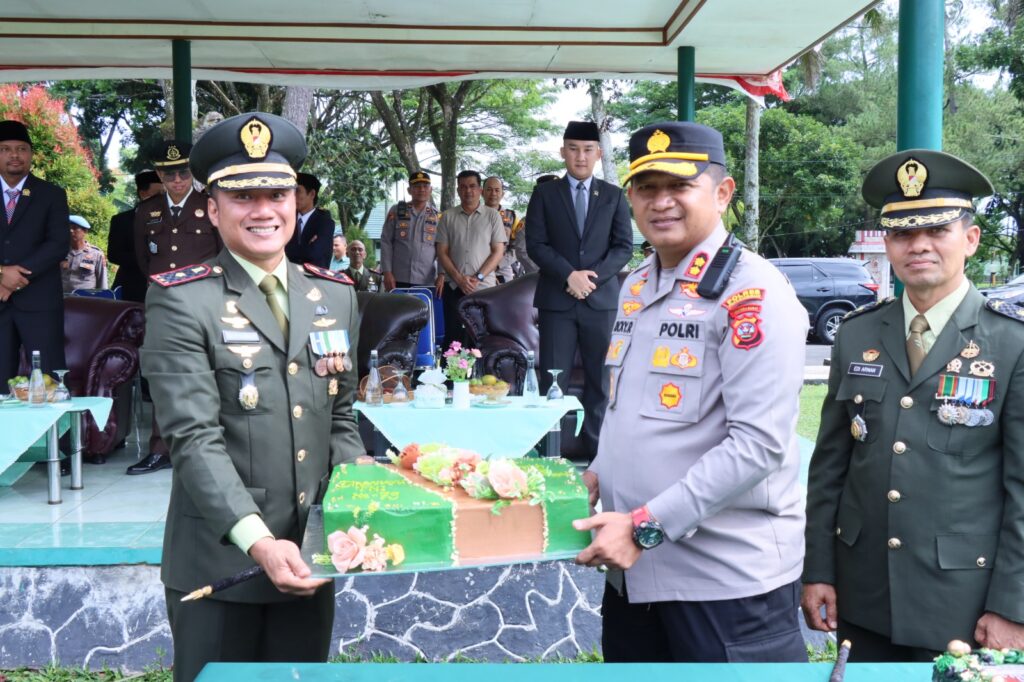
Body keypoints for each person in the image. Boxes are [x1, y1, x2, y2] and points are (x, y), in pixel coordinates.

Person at [573, 122, 809, 663]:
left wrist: (644, 528)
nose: (661, 203)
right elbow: (625, 406)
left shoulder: (753, 293)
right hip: (636, 578)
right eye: (646, 189)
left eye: (679, 187)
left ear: (722, 194)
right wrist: (599, 471)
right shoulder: (636, 285)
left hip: (724, 585)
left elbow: (758, 446)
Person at [140, 112, 364, 682]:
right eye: (243, 196)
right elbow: (193, 439)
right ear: (213, 209)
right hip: (223, 561)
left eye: (277, 192)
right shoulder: (182, 301)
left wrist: (363, 497)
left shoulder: (334, 296)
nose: (263, 209)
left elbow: (339, 416)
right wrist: (259, 542)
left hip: (310, 557)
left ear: (296, 201)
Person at [802, 149, 1024, 660]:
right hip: (864, 594)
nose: (918, 245)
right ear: (887, 243)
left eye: (936, 231)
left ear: (970, 239)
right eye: (902, 233)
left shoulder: (1009, 341)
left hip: (964, 601)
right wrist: (818, 570)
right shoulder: (857, 334)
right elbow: (830, 467)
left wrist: (1012, 606)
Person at [525, 121, 633, 461]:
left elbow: (624, 247)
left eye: (587, 150)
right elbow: (536, 244)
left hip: (600, 303)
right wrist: (568, 275)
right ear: (562, 152)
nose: (580, 156)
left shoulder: (614, 196)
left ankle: (597, 455)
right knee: (551, 379)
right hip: (557, 301)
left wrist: (591, 278)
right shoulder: (545, 193)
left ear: (599, 154)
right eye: (573, 148)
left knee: (601, 381)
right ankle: (550, 452)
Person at [131, 141, 224, 476]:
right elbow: (145, 260)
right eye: (170, 174)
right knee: (163, 375)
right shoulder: (147, 210)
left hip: (205, 301)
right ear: (159, 175)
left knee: (211, 373)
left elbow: (221, 255)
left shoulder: (210, 205)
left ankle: (212, 447)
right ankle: (161, 448)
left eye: (184, 172)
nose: (178, 180)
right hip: (164, 303)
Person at [0, 119, 69, 386]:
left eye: (21, 149)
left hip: (40, 303)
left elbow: (57, 244)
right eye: (6, 149)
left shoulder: (51, 194)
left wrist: (14, 279)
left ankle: (55, 430)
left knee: (49, 379)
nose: (14, 155)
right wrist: (2, 274)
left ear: (30, 154)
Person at [436, 169, 506, 347]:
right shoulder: (447, 217)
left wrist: (478, 277)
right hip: (454, 287)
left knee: (483, 338)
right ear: (458, 190)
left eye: (473, 186)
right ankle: (453, 375)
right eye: (463, 187)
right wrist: (459, 279)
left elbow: (498, 251)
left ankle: (483, 374)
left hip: (484, 288)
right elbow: (442, 251)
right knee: (454, 339)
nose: (468, 191)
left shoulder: (493, 216)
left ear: (480, 190)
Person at [379, 170, 444, 296]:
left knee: (422, 314)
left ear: (430, 190)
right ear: (409, 190)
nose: (421, 190)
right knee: (397, 314)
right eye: (417, 186)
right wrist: (387, 272)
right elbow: (386, 242)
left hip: (426, 280)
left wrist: (442, 274)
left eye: (425, 186)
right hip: (397, 278)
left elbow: (442, 249)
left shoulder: (437, 216)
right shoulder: (397, 211)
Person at [108, 170, 163, 302]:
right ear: (143, 194)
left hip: (163, 291)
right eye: (158, 194)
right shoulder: (122, 220)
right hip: (131, 289)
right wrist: (146, 258)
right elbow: (114, 254)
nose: (163, 199)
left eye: (165, 195)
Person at [284, 172, 334, 269]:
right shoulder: (287, 218)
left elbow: (315, 254)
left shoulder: (325, 223)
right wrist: (307, 246)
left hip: (313, 279)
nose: (293, 196)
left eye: (297, 191)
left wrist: (289, 248)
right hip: (290, 277)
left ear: (312, 194)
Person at [483, 176, 522, 283]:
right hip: (478, 267)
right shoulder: (474, 215)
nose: (493, 193)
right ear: (482, 192)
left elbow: (516, 248)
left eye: (497, 190)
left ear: (502, 194)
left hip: (502, 268)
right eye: (489, 190)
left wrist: (497, 264)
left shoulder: (512, 217)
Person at [62, 215, 108, 293]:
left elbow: (102, 283)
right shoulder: (60, 252)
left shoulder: (96, 254)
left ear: (85, 231)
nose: (70, 231)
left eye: (74, 228)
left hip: (85, 301)